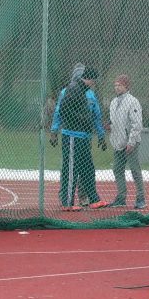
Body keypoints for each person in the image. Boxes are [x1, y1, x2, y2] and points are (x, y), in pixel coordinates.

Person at [50, 64, 108, 211]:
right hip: (72, 135)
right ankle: (67, 202)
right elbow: (60, 111)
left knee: (88, 168)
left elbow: (96, 115)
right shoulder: (68, 91)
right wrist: (54, 130)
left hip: (85, 137)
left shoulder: (90, 94)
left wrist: (101, 135)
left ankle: (93, 199)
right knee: (71, 169)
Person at [106, 74, 146, 209]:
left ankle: (141, 198)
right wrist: (109, 126)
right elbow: (114, 121)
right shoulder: (113, 102)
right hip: (118, 141)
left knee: (135, 170)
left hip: (130, 142)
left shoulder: (133, 101)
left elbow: (137, 124)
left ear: (126, 86)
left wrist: (131, 142)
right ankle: (121, 197)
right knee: (117, 169)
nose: (117, 87)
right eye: (115, 85)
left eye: (120, 85)